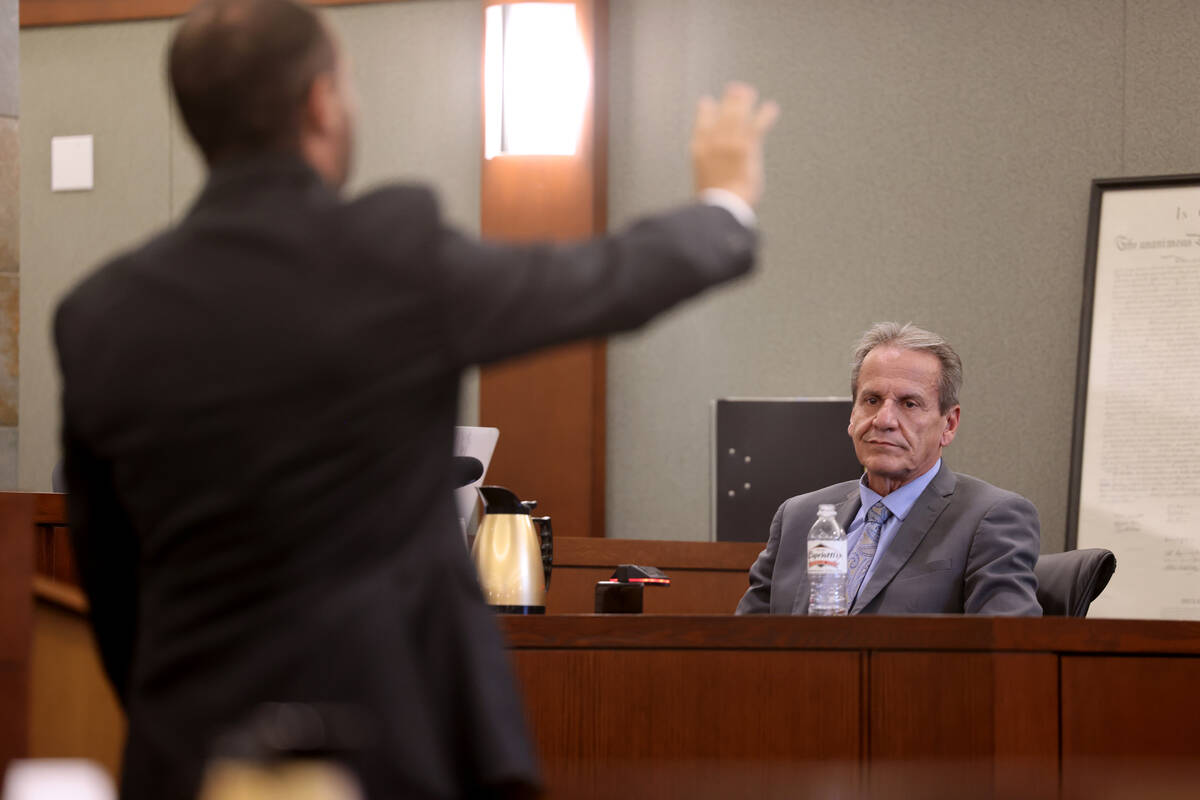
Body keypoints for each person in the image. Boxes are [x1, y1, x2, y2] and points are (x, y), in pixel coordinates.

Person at [53, 0, 779, 798]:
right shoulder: (388, 254)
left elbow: (110, 570)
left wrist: (179, 706)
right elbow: (600, 279)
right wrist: (725, 205)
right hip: (391, 740)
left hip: (189, 745)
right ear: (322, 102)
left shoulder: (101, 314)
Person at [736, 322, 1041, 616]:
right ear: (852, 415)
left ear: (949, 424)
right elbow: (740, 645)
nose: (884, 420)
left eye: (909, 404)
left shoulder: (990, 518)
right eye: (871, 400)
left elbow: (1009, 651)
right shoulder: (798, 517)